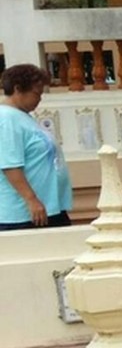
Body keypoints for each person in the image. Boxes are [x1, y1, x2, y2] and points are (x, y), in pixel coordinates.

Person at [0, 64, 72, 231]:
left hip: (49, 206)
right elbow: (10, 164)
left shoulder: (23, 117)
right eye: (36, 93)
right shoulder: (6, 119)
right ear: (18, 89)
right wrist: (31, 199)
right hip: (24, 214)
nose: (39, 99)